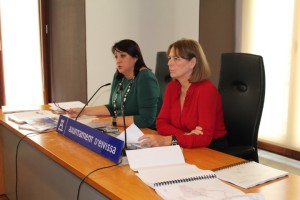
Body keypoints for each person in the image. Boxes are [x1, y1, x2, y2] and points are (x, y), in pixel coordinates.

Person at [138, 38, 227, 148]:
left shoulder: (207, 91)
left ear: (192, 63)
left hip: (212, 150)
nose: (169, 63)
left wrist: (168, 140)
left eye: (176, 59)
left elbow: (203, 138)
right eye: (169, 58)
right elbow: (161, 123)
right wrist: (185, 136)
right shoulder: (172, 87)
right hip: (184, 145)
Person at [67, 39, 162, 130]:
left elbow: (146, 119)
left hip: (148, 132)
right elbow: (113, 108)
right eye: (116, 56)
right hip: (125, 129)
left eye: (123, 56)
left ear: (136, 57)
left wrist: (110, 121)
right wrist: (83, 111)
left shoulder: (145, 78)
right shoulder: (119, 76)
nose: (118, 60)